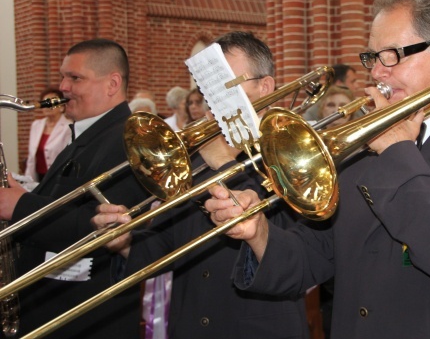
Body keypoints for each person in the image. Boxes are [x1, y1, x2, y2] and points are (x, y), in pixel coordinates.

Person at [206, 0, 430, 339]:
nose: (377, 72)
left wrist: (398, 151)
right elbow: (317, 254)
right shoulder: (366, 147)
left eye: (393, 55)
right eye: (372, 57)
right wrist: (259, 233)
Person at [91, 31, 309, 339]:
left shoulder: (296, 153)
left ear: (265, 86)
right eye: (208, 88)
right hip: (191, 324)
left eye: (227, 84)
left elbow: (296, 250)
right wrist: (125, 242)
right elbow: (166, 243)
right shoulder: (196, 157)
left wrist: (225, 164)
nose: (213, 99)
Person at [0, 39, 149, 339]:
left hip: (86, 319)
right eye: (63, 76)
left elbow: (106, 227)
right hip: (55, 308)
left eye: (75, 78)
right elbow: (64, 203)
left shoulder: (127, 139)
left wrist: (20, 206)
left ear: (112, 83)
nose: (63, 87)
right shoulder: (89, 134)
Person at [24, 87, 72, 183]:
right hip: (37, 177)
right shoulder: (36, 125)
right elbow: (31, 156)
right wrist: (27, 180)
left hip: (57, 177)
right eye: (44, 103)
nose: (47, 106)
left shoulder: (68, 127)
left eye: (50, 102)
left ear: (62, 106)